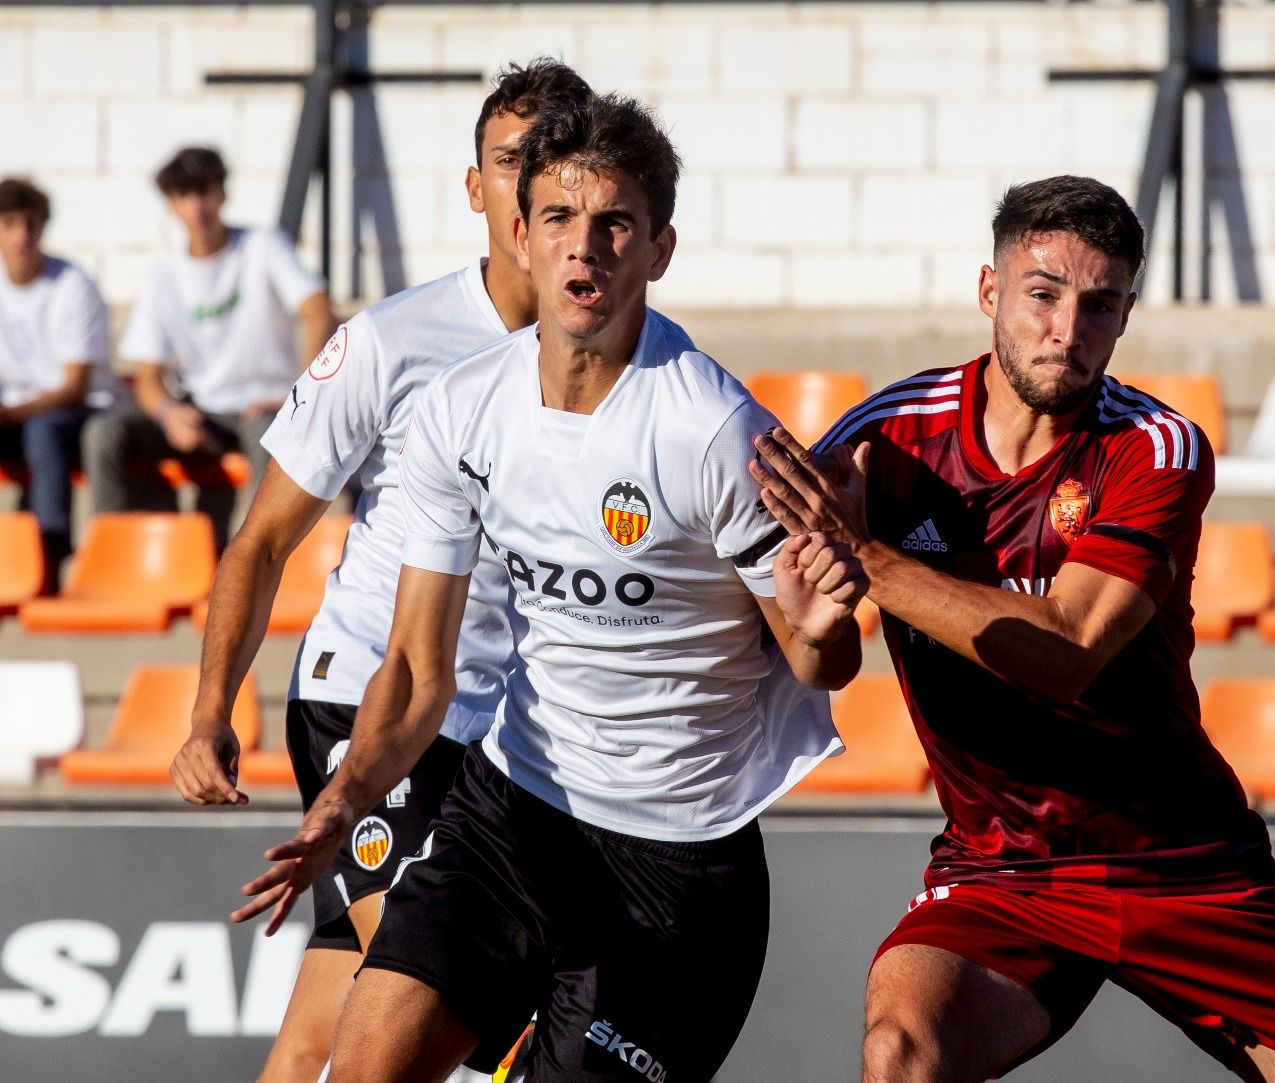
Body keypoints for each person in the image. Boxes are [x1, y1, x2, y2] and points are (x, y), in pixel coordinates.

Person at [233, 92, 864, 1083]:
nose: (586, 250)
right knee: (355, 1069)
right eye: (561, 221)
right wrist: (347, 793)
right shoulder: (463, 408)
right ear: (517, 233)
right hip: (511, 812)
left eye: (615, 223)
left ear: (657, 249)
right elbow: (413, 667)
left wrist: (828, 617)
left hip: (673, 863)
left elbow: (819, 658)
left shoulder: (711, 430)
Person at [749, 175, 1275, 1083]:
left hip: (1183, 863)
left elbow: (1067, 650)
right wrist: (813, 623)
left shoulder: (1154, 448)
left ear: (1125, 316)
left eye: (1099, 304)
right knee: (900, 1052)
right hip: (1001, 870)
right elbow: (824, 657)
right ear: (989, 292)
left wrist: (869, 560)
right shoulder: (885, 439)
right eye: (1042, 294)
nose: (1067, 329)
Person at [168, 61, 595, 1083]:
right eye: (506, 164)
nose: (527, 190)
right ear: (475, 186)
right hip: (371, 701)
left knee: (329, 1028)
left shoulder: (609, 356)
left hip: (501, 730)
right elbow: (262, 539)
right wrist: (207, 710)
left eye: (550, 168)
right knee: (459, 1009)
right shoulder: (393, 342)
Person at [84, 146, 335, 549]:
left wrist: (301, 393)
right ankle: (117, 557)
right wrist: (170, 414)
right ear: (171, 205)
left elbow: (318, 309)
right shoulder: (166, 272)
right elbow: (147, 375)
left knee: (271, 435)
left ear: (222, 194)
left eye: (204, 192)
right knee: (104, 433)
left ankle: (261, 562)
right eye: (184, 195)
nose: (196, 206)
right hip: (203, 412)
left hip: (266, 408)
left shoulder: (263, 245)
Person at [0, 177, 122, 592]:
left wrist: (10, 413)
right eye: (10, 222)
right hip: (17, 416)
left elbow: (74, 386)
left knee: (44, 431)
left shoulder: (72, 284)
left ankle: (50, 557)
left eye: (30, 224)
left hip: (81, 413)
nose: (22, 235)